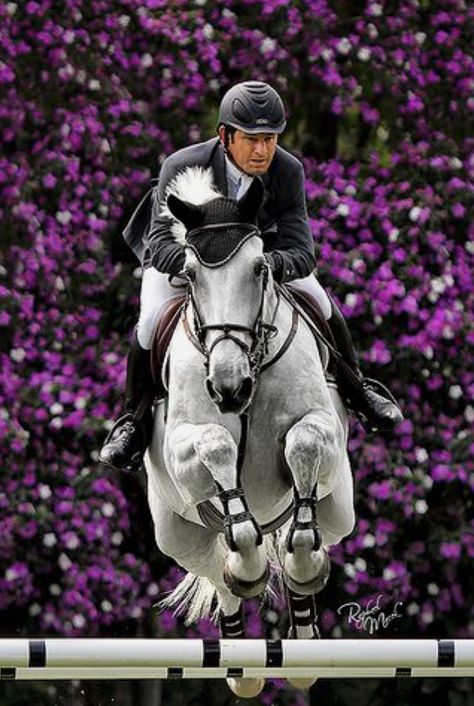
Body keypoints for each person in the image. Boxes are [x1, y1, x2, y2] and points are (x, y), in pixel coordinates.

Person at [99, 81, 403, 472]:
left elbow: (301, 249)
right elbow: (158, 241)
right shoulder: (183, 164)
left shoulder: (288, 170)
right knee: (150, 320)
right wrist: (195, 264)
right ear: (225, 135)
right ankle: (133, 421)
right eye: (252, 139)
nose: (262, 151)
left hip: (257, 263)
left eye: (270, 139)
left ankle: (358, 389)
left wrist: (272, 267)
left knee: (322, 302)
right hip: (188, 261)